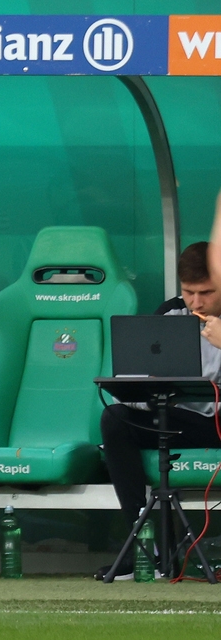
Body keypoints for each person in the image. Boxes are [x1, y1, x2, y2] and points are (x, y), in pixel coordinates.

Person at [95, 241, 221, 581]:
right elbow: (134, 377)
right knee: (114, 419)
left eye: (206, 293)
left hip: (219, 422)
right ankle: (144, 545)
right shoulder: (169, 315)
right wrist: (145, 393)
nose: (196, 302)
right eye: (188, 292)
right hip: (178, 418)